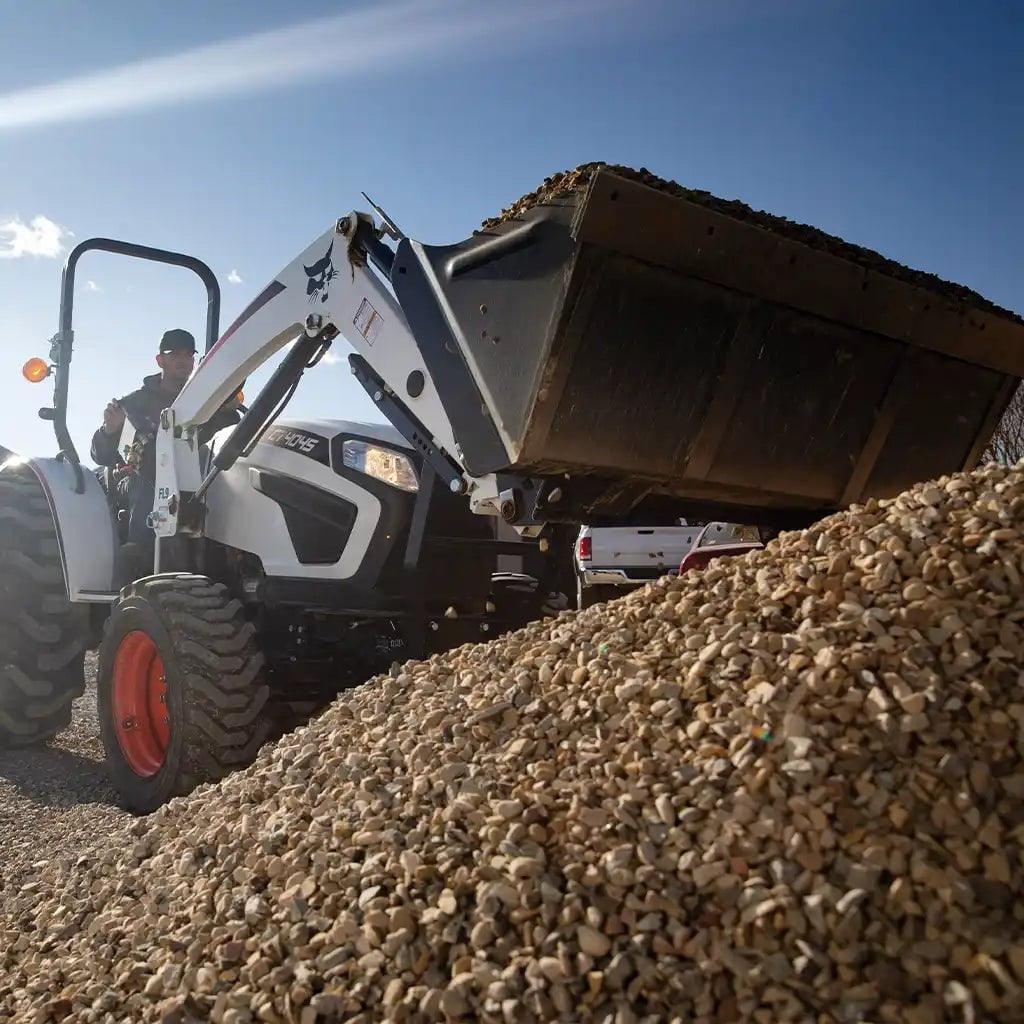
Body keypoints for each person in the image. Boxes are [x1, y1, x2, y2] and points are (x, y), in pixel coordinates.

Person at [91, 328, 240, 554]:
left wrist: (229, 411)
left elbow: (226, 435)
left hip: (196, 478)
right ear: (160, 360)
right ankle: (143, 553)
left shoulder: (206, 403)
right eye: (175, 354)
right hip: (140, 477)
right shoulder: (134, 403)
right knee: (152, 476)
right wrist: (109, 430)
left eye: (188, 355)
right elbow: (102, 456)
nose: (183, 360)